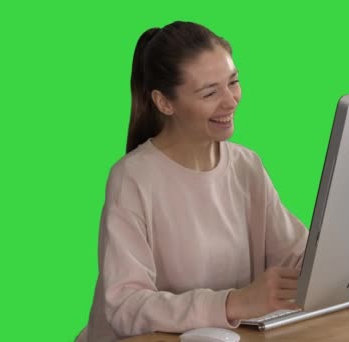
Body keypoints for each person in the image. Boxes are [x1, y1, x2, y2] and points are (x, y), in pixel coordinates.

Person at [76, 21, 308, 342]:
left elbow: (295, 254)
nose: (231, 101)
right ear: (164, 103)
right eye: (210, 92)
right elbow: (125, 307)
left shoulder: (246, 165)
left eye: (233, 82)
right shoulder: (132, 178)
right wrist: (234, 303)